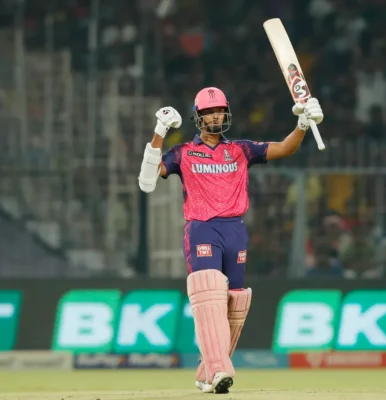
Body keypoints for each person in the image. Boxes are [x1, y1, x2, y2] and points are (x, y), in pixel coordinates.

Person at [137, 87, 323, 393]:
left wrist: (302, 125)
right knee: (209, 295)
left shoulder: (240, 150)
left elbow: (285, 148)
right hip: (202, 228)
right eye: (209, 112)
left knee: (235, 302)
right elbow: (147, 180)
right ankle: (219, 369)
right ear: (198, 117)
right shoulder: (183, 152)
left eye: (219, 111)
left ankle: (206, 372)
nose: (215, 117)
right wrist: (159, 132)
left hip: (235, 230)